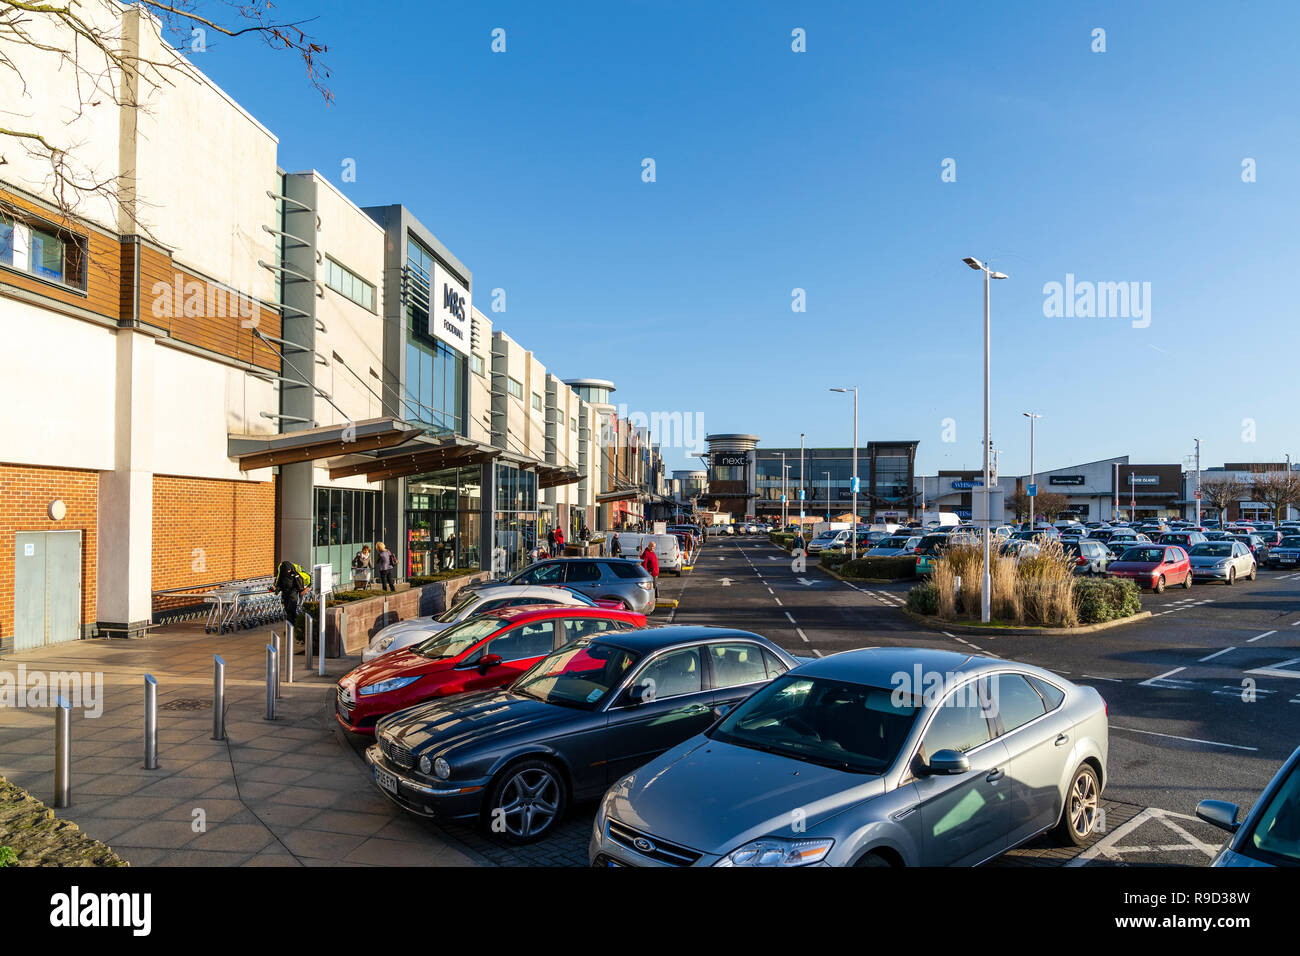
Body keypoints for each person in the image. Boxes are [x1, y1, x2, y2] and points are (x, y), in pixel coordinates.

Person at [273, 560, 306, 630]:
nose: (288, 571)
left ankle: (290, 628)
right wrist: (275, 589)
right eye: (287, 570)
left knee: (291, 609)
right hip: (285, 594)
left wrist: (301, 592)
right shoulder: (282, 576)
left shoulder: (294, 574)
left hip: (293, 594)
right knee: (287, 610)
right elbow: (279, 585)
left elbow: (299, 585)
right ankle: (295, 624)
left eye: (289, 570)